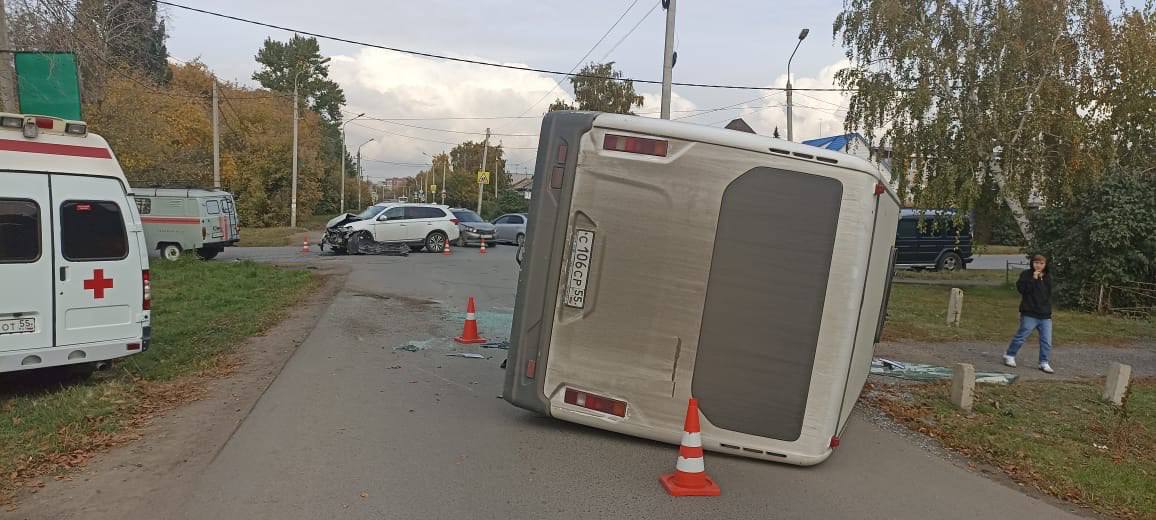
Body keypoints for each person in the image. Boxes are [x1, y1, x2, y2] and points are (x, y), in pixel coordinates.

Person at [1003, 255, 1055, 373]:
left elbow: (1047, 294)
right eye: (1036, 263)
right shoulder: (1026, 275)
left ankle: (1044, 362)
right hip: (1029, 313)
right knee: (1022, 336)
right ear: (1032, 263)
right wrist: (1033, 279)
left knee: (1046, 341)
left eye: (1041, 263)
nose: (1038, 265)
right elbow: (1022, 290)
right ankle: (1010, 355)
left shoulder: (1047, 277)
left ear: (1045, 265)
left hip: (1044, 314)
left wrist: (1040, 281)